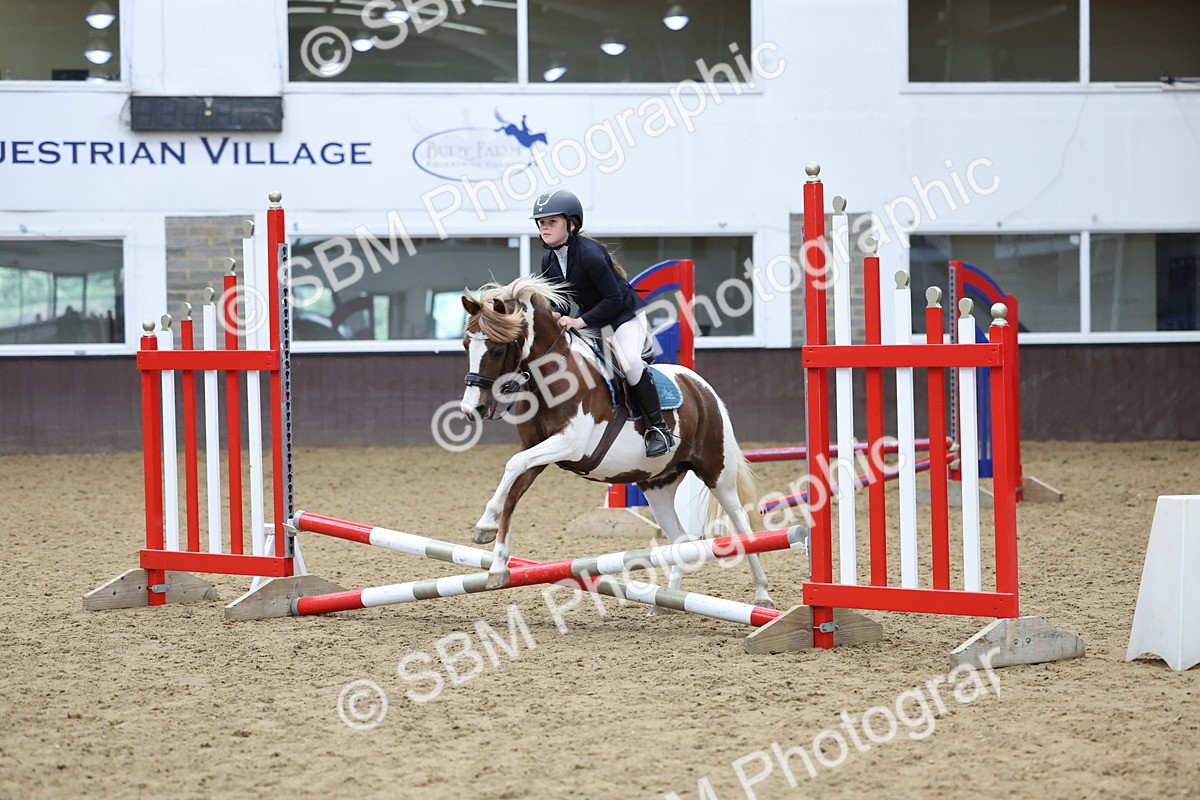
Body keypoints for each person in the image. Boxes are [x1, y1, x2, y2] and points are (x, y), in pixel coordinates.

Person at [531, 189, 674, 457]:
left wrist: (579, 320)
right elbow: (562, 300)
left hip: (623, 315)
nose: (544, 228)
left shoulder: (590, 254)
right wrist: (553, 313)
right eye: (541, 223)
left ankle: (659, 429)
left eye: (552, 222)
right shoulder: (549, 259)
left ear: (571, 224)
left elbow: (615, 298)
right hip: (593, 319)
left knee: (630, 364)